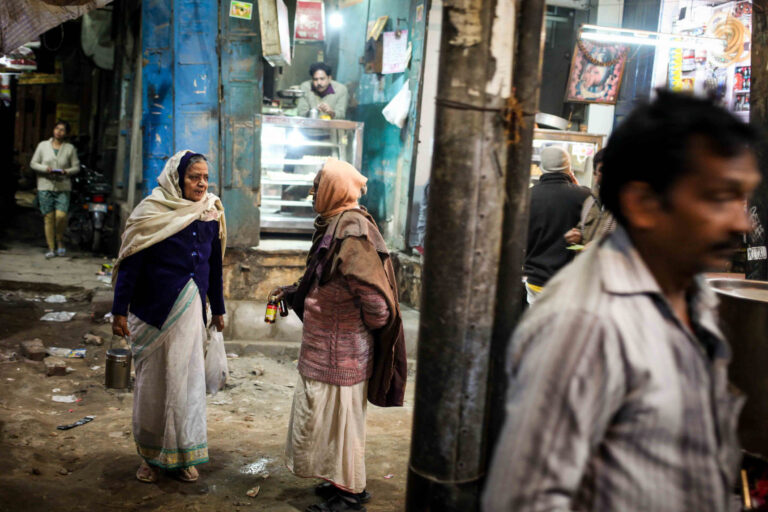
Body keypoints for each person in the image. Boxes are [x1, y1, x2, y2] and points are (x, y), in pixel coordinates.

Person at [483, 91, 760, 511]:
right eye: (718, 198)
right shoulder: (586, 325)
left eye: (740, 198)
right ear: (643, 204)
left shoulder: (690, 293)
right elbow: (524, 501)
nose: (740, 222)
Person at [272, 158, 407, 512]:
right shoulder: (336, 225)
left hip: (341, 352)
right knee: (331, 425)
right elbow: (326, 278)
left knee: (342, 427)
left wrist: (344, 324)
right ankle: (339, 483)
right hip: (328, 351)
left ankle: (349, 495)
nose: (313, 192)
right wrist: (293, 293)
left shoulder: (352, 235)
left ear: (334, 190)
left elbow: (377, 306)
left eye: (318, 186)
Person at [111, 150, 227, 484]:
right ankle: (150, 456)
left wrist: (217, 308)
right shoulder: (151, 212)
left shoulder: (210, 212)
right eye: (194, 177)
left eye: (205, 177)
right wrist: (119, 310)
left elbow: (214, 267)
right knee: (153, 385)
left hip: (190, 313)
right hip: (152, 312)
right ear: (177, 178)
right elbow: (131, 263)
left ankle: (182, 456)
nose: (201, 183)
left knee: (187, 382)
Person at [524, 146, 590, 303]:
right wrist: (577, 186)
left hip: (536, 281)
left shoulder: (527, 197)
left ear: (542, 167)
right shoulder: (584, 196)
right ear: (569, 168)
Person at [29, 120, 80, 258]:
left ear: (66, 133)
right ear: (53, 130)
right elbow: (33, 163)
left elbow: (76, 167)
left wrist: (66, 172)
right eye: (57, 128)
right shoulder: (43, 146)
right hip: (45, 186)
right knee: (48, 218)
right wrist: (46, 169)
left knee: (61, 216)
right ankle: (51, 248)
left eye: (62, 130)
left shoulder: (70, 148)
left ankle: (60, 240)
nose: (59, 131)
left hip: (63, 186)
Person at [563, 148, 616, 247]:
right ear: (595, 173)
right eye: (603, 169)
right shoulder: (590, 201)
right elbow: (582, 229)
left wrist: (600, 245)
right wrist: (577, 236)